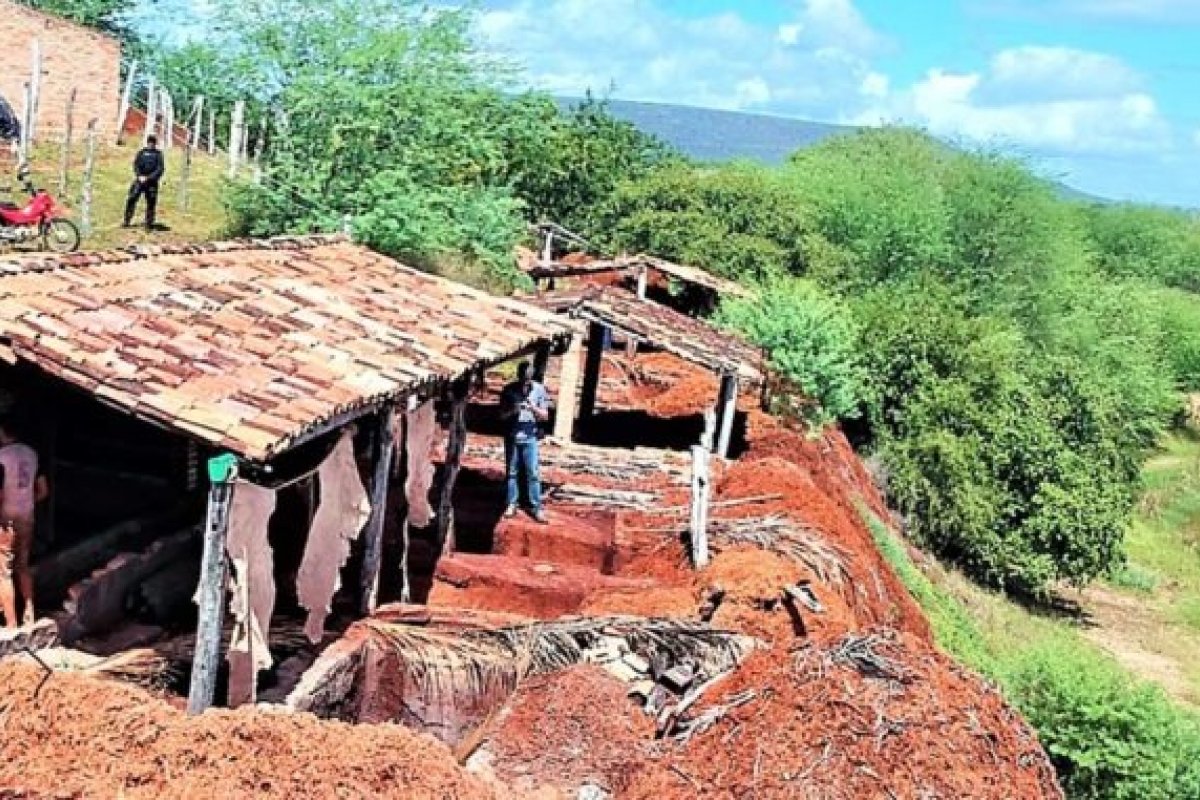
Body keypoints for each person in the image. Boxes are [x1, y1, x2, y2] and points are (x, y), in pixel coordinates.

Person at [0, 419, 48, 628]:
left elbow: (0, 494)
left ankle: (11, 623)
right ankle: (29, 613)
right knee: (23, 566)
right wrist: (26, 502)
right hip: (27, 517)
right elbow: (43, 491)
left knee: (3, 571)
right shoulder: (33, 455)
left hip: (5, 519)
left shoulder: (2, 457)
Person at [499, 361, 550, 523]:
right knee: (512, 472)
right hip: (513, 436)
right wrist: (513, 410)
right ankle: (511, 503)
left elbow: (545, 416)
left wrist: (533, 408)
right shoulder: (508, 390)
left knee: (533, 473)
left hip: (530, 437)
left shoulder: (539, 390)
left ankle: (536, 507)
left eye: (527, 381)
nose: (524, 385)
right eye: (522, 380)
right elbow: (501, 416)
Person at [123, 135, 166, 230]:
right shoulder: (141, 153)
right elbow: (136, 165)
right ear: (147, 143)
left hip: (151, 182)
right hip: (139, 180)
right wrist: (139, 176)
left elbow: (160, 169)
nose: (151, 144)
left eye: (153, 142)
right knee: (132, 198)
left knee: (151, 202)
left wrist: (149, 178)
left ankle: (149, 223)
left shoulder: (158, 154)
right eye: (149, 142)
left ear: (155, 143)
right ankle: (127, 220)